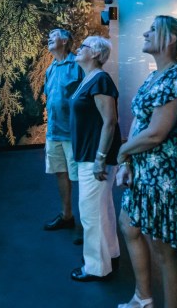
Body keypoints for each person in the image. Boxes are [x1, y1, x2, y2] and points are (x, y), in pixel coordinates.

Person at [115, 16, 177, 308]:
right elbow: (141, 123)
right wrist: (127, 159)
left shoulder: (176, 77)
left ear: (170, 39)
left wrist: (122, 151)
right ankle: (143, 296)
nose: (145, 32)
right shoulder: (155, 76)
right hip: (143, 170)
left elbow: (156, 133)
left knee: (165, 250)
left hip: (162, 177)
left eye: (153, 29)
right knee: (129, 225)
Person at [68, 36, 121, 282]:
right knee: (103, 207)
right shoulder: (88, 79)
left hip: (94, 156)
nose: (78, 49)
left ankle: (96, 267)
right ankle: (110, 252)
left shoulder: (100, 80)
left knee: (90, 212)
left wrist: (100, 158)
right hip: (89, 153)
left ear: (96, 54)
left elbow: (110, 121)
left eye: (83, 47)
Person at [43, 29, 84, 244]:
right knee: (61, 173)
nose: (49, 37)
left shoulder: (78, 65)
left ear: (65, 40)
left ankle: (84, 224)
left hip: (73, 134)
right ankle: (67, 215)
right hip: (53, 133)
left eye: (54, 34)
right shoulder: (50, 69)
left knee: (80, 179)